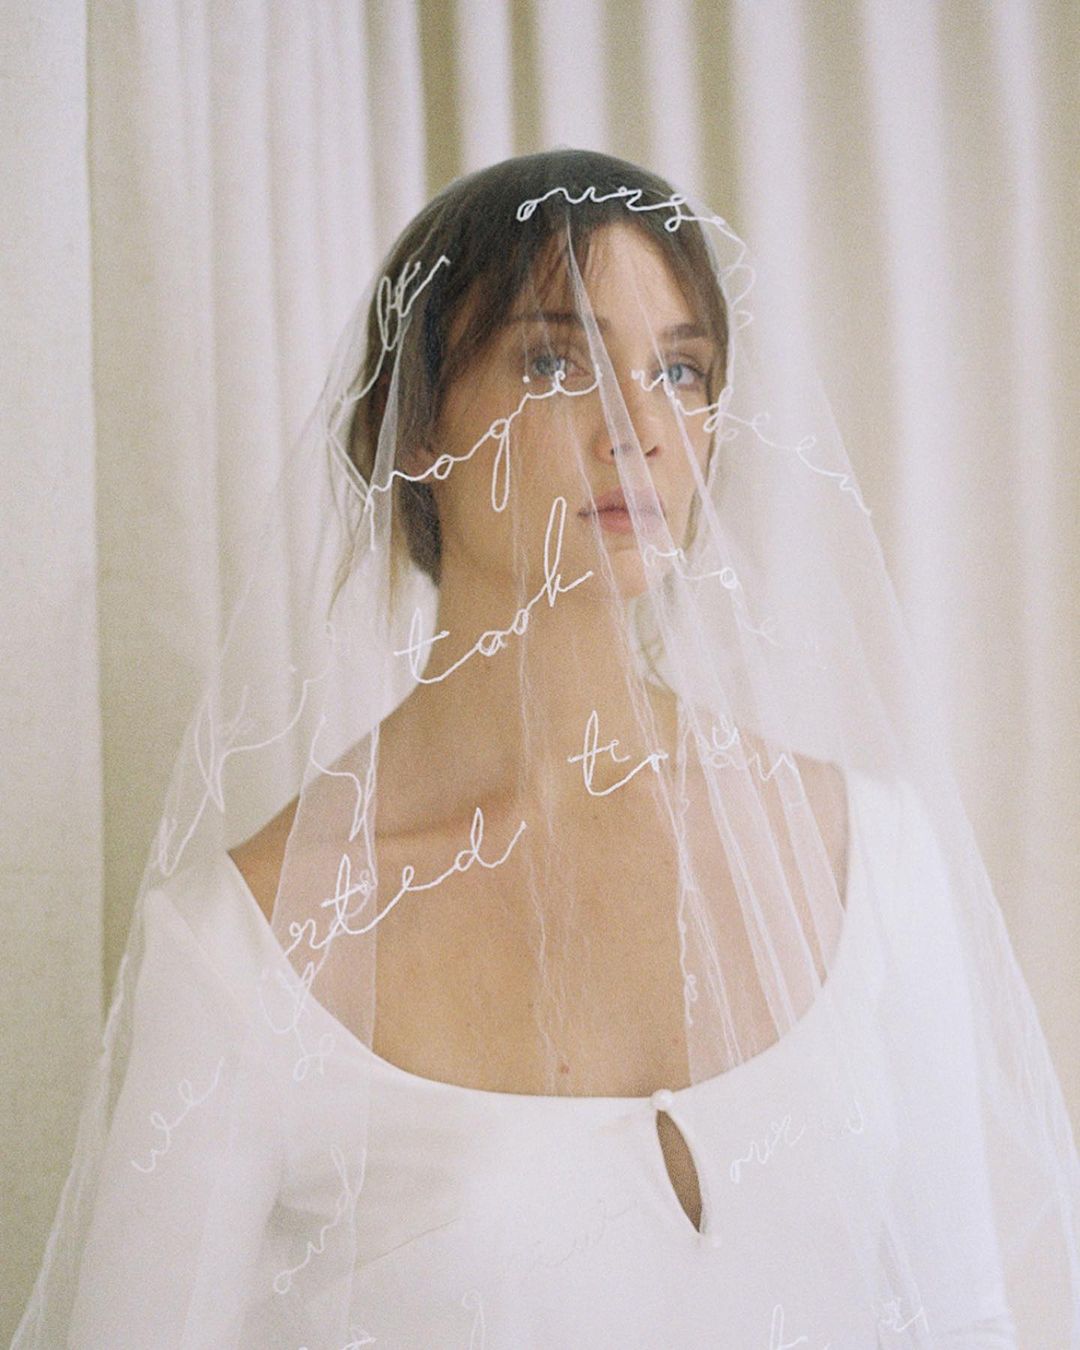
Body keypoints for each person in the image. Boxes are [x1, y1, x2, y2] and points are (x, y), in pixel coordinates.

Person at [14, 149, 1079, 1348]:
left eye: (680, 369)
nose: (641, 426)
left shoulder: (864, 856)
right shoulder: (244, 951)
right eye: (555, 360)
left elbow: (968, 1321)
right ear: (414, 430)